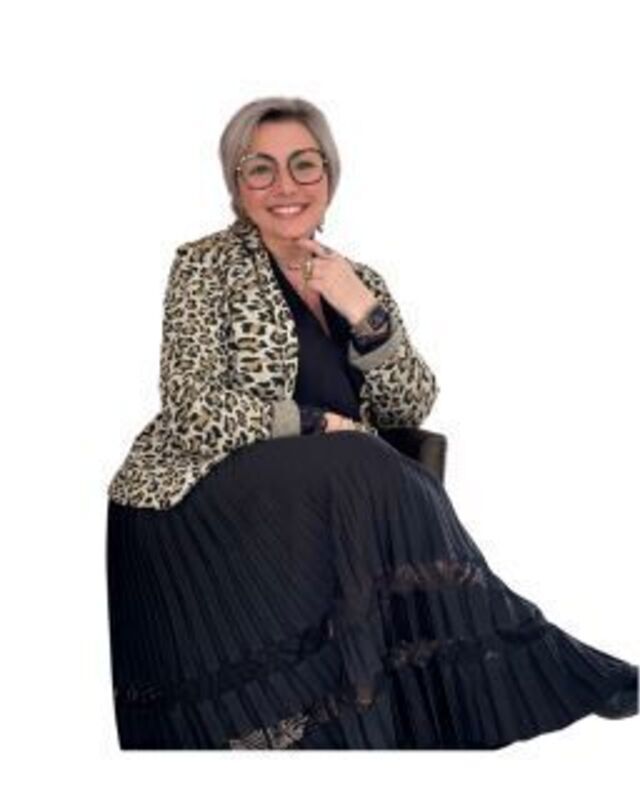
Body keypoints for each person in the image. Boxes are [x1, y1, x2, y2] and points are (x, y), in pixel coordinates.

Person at [105, 95, 637, 750]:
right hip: (201, 500)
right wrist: (319, 425)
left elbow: (410, 406)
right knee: (356, 459)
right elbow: (192, 410)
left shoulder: (357, 280)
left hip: (326, 504)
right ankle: (530, 644)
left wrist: (364, 313)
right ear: (236, 186)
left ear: (329, 175)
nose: (285, 185)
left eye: (304, 165)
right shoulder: (205, 265)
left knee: (362, 464)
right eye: (260, 169)